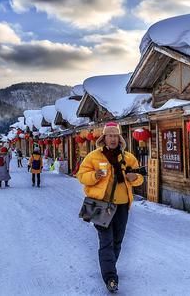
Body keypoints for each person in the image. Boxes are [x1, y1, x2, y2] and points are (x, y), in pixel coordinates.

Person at [77, 122, 144, 293]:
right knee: (106, 241)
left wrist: (133, 177)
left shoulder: (128, 157)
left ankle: (109, 266)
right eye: (110, 136)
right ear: (104, 138)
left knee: (117, 241)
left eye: (115, 136)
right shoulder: (93, 156)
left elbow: (140, 178)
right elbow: (81, 176)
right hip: (100, 205)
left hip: (122, 206)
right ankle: (111, 278)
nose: (113, 139)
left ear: (119, 138)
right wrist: (94, 175)